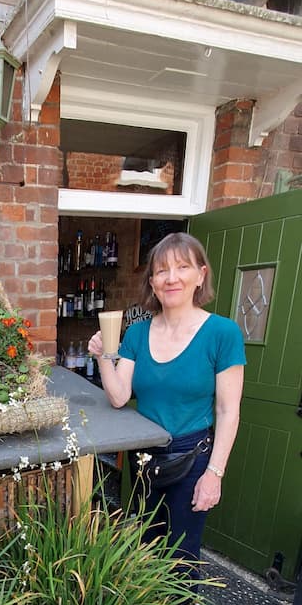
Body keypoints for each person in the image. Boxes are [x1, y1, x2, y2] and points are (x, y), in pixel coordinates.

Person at [88, 232, 246, 570]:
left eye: (182, 267)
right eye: (161, 271)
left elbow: (228, 410)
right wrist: (103, 356)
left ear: (201, 275)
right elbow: (118, 397)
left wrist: (214, 474)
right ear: (152, 282)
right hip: (144, 457)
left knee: (181, 554)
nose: (171, 278)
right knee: (147, 545)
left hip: (192, 458)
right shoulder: (137, 333)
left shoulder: (222, 333)